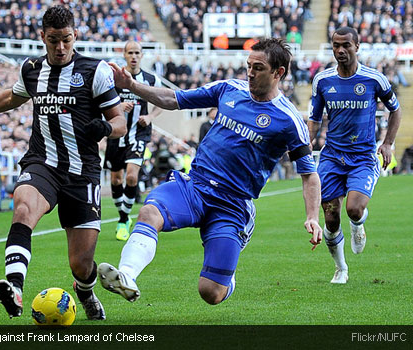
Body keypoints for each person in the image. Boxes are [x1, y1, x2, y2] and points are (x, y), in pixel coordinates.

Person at [97, 38, 322, 306]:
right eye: (248, 66)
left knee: (211, 293)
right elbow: (173, 98)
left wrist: (312, 216)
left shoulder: (289, 120)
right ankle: (128, 275)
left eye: (258, 68)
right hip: (195, 186)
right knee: (149, 212)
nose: (250, 73)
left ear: (279, 73)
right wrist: (132, 85)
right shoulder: (229, 89)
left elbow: (309, 174)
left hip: (232, 205)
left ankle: (227, 278)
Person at [0, 5, 126, 320]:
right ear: (42, 36)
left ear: (75, 36)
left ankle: (85, 290)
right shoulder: (30, 69)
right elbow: (12, 98)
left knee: (81, 264)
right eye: (53, 40)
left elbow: (119, 121)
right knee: (23, 208)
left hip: (82, 173)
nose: (60, 48)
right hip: (42, 163)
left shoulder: (95, 71)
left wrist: (107, 128)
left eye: (66, 40)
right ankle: (15, 288)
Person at [308, 27, 401, 284]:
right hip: (332, 157)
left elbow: (396, 110)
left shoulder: (374, 79)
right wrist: (305, 147)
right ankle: (341, 268)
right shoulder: (323, 81)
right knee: (330, 216)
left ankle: (358, 225)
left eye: (346, 45)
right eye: (336, 45)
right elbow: (314, 119)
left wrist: (387, 143)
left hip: (362, 156)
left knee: (354, 209)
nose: (340, 50)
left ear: (357, 46)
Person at [104, 40, 163, 241]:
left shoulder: (151, 79)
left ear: (142, 55)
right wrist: (119, 106)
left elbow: (160, 101)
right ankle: (124, 216)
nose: (134, 56)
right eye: (130, 52)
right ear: (125, 55)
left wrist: (150, 117)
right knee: (116, 179)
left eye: (137, 52)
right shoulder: (114, 78)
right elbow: (103, 102)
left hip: (139, 133)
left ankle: (123, 219)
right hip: (117, 132)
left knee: (131, 177)